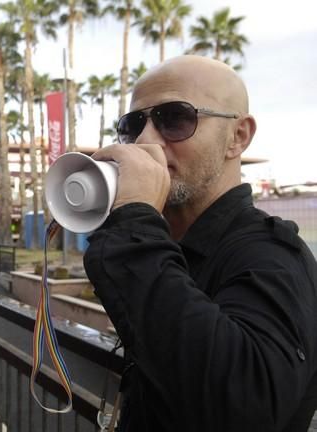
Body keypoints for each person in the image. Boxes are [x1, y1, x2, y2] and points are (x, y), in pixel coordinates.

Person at [83, 55, 317, 432]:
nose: (145, 141)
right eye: (132, 125)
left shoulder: (271, 257)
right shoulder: (169, 246)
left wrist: (133, 224)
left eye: (174, 118)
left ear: (237, 137)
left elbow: (241, 406)